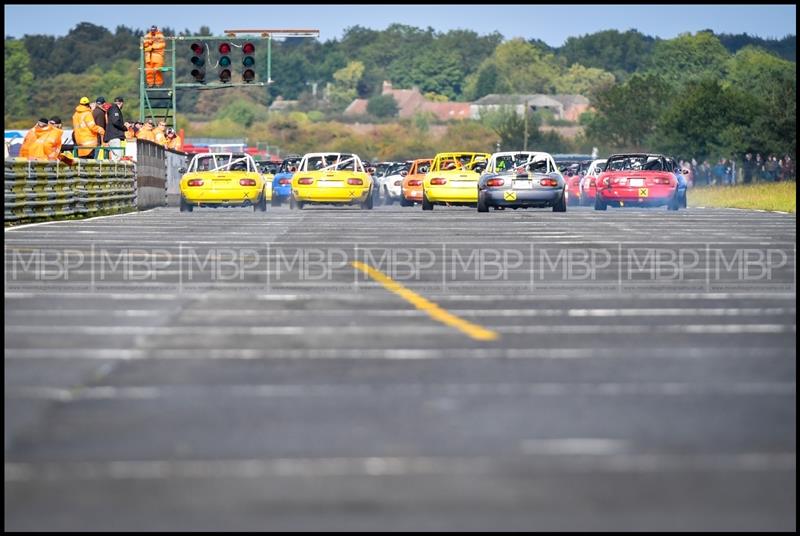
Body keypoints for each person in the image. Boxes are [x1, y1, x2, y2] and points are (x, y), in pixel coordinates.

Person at [104, 96, 127, 162]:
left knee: (115, 158)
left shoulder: (112, 109)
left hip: (112, 136)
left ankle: (115, 171)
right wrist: (124, 127)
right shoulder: (115, 109)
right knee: (118, 157)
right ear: (121, 103)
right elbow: (115, 121)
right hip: (114, 136)